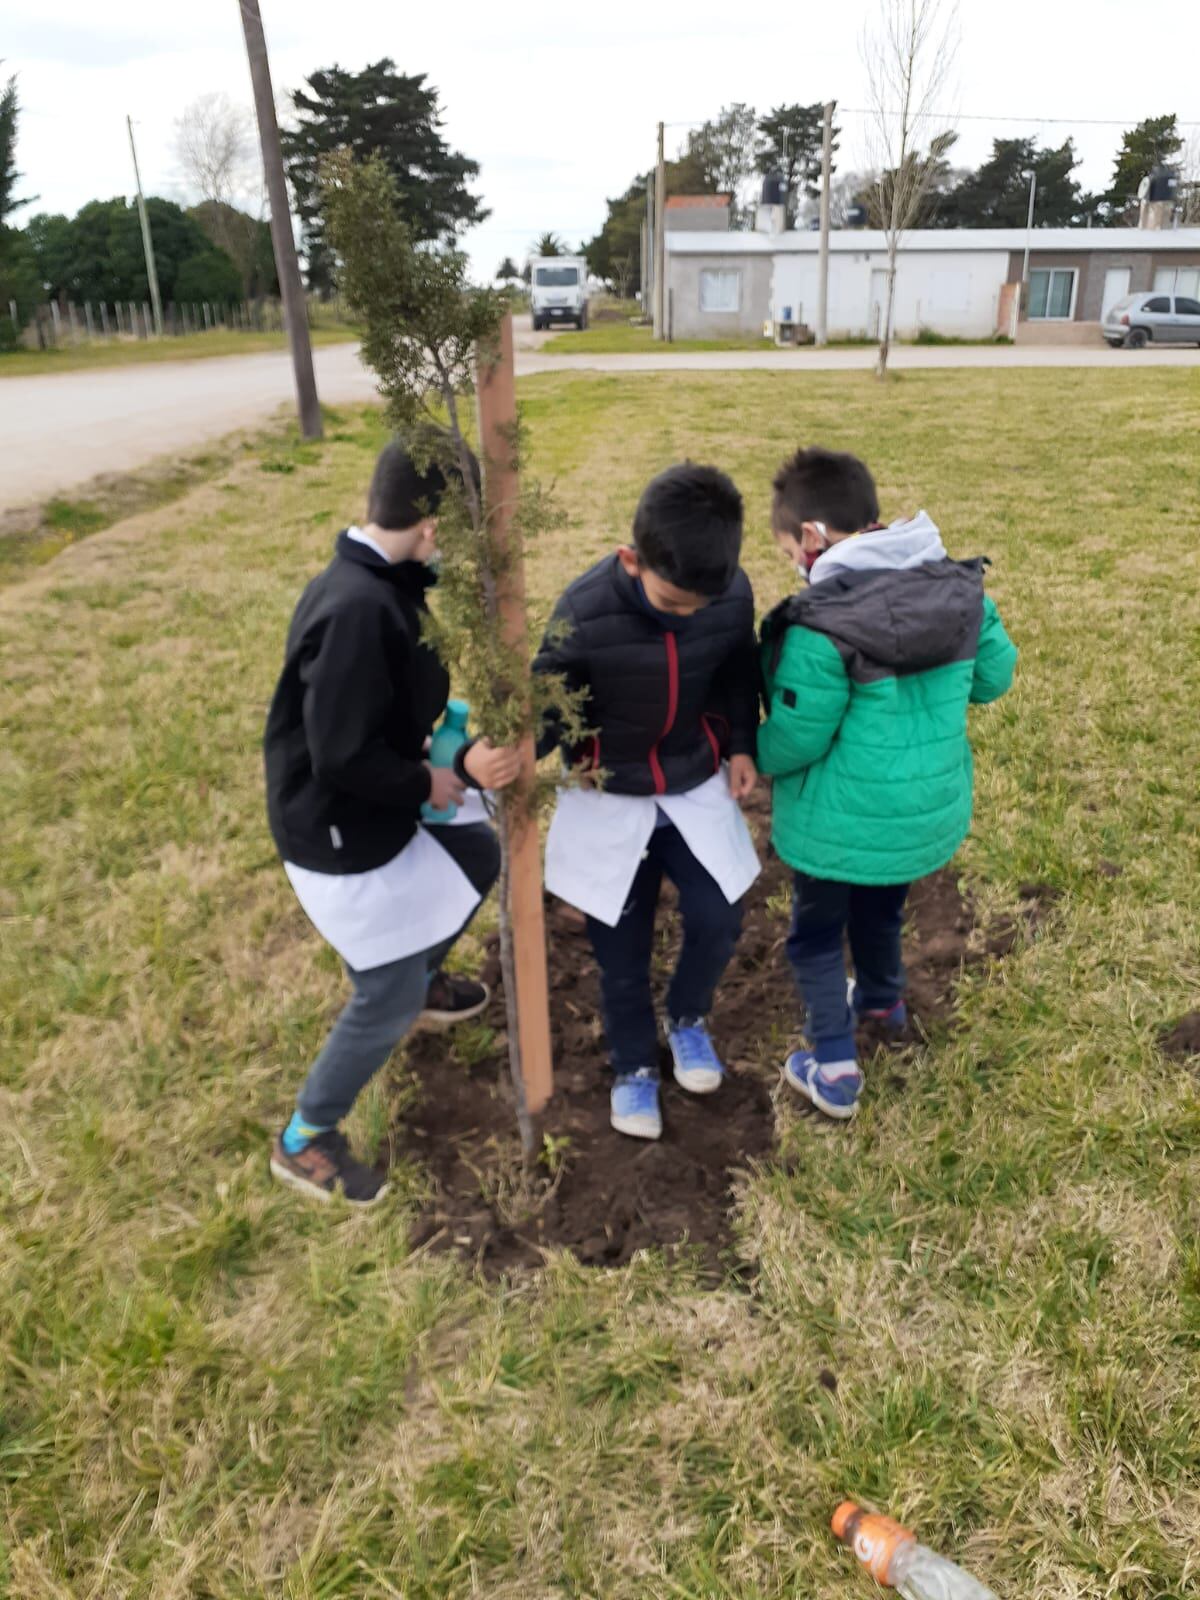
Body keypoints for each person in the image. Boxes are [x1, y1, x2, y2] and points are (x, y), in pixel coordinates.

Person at [263, 440, 521, 1204]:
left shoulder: (388, 584)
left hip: (375, 803)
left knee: (476, 853)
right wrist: (426, 779)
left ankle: (423, 978)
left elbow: (388, 713)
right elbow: (342, 754)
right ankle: (304, 1137)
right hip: (335, 829)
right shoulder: (357, 608)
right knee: (384, 992)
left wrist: (459, 761)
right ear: (436, 527)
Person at [758, 445, 1018, 1121]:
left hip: (837, 823)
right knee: (881, 908)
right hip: (920, 815)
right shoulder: (961, 592)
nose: (793, 564)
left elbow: (797, 737)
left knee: (815, 936)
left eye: (788, 550)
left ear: (811, 537)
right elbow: (994, 679)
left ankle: (835, 1068)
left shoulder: (820, 627)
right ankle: (882, 1000)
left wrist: (752, 757)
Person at [532, 463, 761, 1140]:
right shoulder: (582, 611)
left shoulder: (727, 592)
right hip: (610, 793)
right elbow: (550, 699)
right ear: (631, 561)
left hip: (693, 780)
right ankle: (633, 1066)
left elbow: (736, 671)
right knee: (620, 948)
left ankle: (687, 1017)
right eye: (673, 603)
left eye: (701, 605)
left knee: (719, 914)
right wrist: (523, 747)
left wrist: (740, 743)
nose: (689, 614)